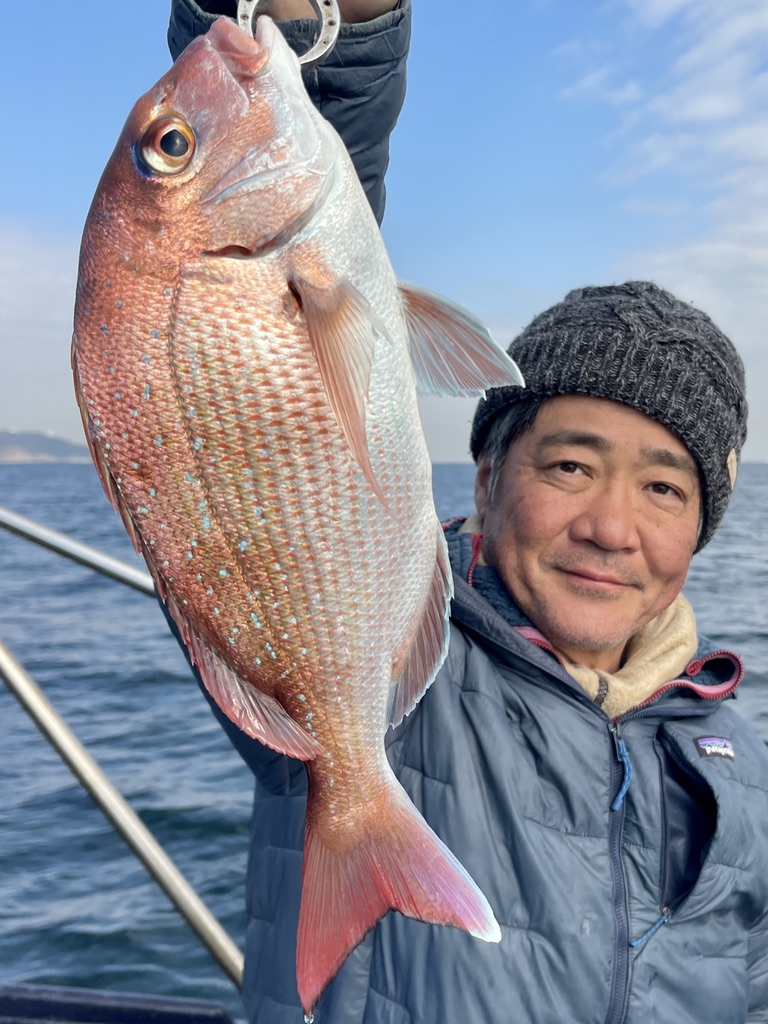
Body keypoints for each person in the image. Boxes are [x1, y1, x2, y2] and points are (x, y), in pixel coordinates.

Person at [166, 4, 768, 1023]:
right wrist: (327, 42)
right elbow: (273, 304)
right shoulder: (391, 669)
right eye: (570, 465)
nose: (612, 526)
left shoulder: (736, 757)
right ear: (486, 479)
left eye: (665, 486)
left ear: (702, 525)